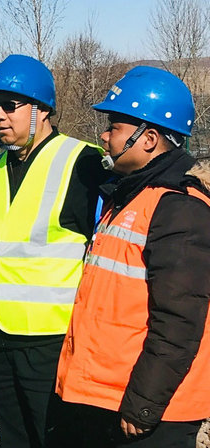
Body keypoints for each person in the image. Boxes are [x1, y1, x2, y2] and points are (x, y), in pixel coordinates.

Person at [55, 66, 210, 448]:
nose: (104, 136)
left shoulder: (179, 209)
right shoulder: (131, 197)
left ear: (149, 139)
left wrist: (143, 405)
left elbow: (178, 322)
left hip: (154, 412)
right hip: (114, 397)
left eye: (115, 127)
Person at [0, 54, 106, 448]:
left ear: (42, 109)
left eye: (9, 105)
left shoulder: (83, 163)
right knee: (16, 438)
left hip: (52, 339)